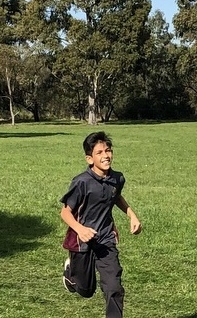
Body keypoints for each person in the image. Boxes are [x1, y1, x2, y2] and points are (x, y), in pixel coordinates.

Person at [60, 131, 141, 318]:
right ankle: (71, 274)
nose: (106, 155)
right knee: (86, 290)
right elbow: (65, 212)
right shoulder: (81, 182)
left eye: (108, 150)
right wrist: (80, 229)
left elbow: (115, 196)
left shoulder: (117, 178)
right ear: (89, 159)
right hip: (82, 241)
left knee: (114, 286)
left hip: (106, 239)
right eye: (99, 152)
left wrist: (132, 215)